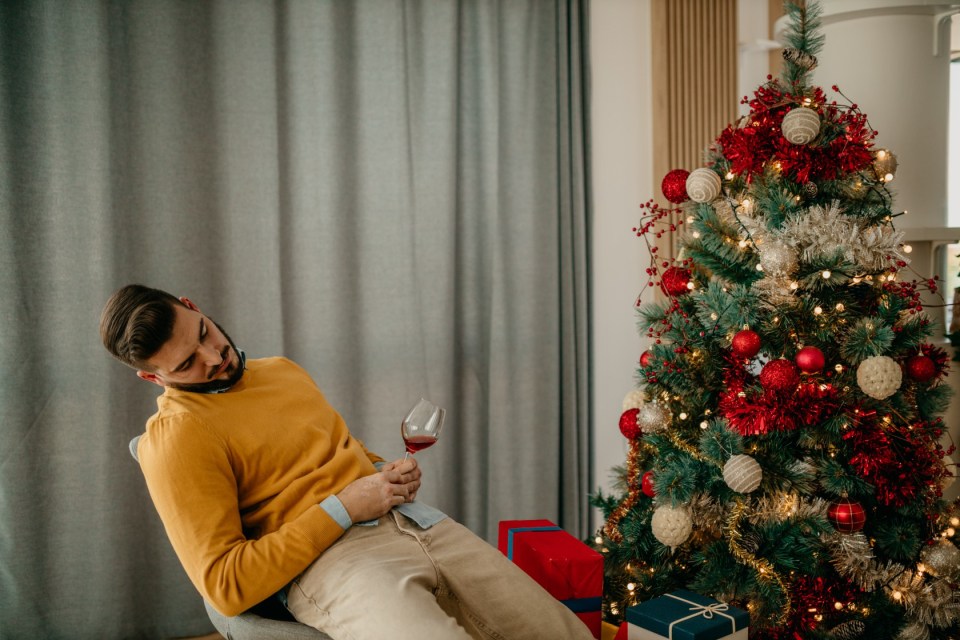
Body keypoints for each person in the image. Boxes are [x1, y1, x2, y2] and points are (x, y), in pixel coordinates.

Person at [100, 284, 593, 640]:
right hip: (334, 567)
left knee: (563, 632)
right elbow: (226, 585)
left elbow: (341, 451)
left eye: (203, 332)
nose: (214, 355)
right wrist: (344, 507)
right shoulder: (177, 438)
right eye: (187, 364)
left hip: (418, 526)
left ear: (193, 305)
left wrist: (384, 473)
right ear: (153, 378)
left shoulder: (280, 371)